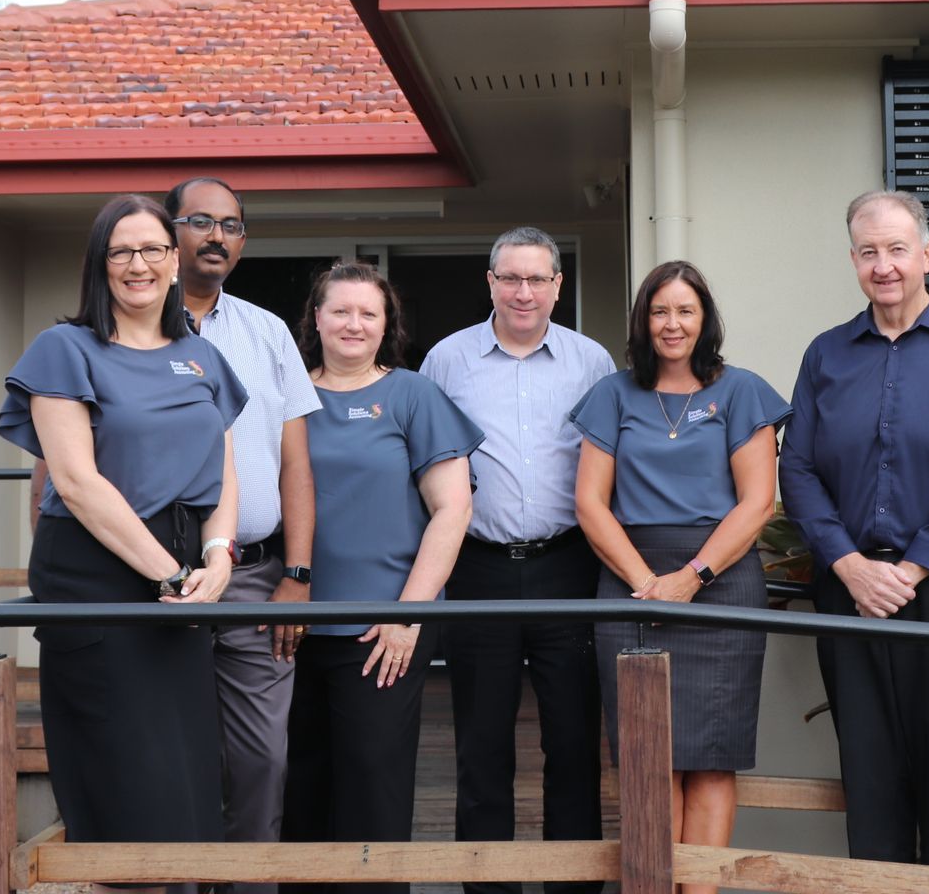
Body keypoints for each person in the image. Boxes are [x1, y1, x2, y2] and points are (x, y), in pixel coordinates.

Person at [0, 194, 246, 893]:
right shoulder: (63, 349)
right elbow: (75, 482)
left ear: (175, 263)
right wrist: (169, 574)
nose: (139, 264)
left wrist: (220, 553)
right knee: (126, 785)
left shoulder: (202, 356)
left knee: (187, 777)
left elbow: (225, 468)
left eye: (153, 250)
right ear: (100, 266)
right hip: (97, 577)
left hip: (182, 577)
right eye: (122, 251)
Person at [777, 189, 929, 869]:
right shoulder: (827, 355)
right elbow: (797, 469)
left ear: (927, 254)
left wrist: (913, 567)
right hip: (849, 591)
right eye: (867, 252)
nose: (883, 265)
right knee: (868, 768)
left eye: (896, 249)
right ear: (853, 259)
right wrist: (850, 566)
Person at [571, 260, 788, 891]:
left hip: (721, 583)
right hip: (629, 581)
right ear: (643, 319)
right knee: (650, 759)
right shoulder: (613, 394)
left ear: (705, 319)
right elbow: (590, 503)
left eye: (685, 310)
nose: (672, 323)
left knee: (714, 760)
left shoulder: (741, 390)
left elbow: (757, 504)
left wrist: (690, 577)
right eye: (659, 310)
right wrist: (647, 582)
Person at [420, 227, 616, 894]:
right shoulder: (446, 362)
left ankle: (573, 886)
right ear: (491, 282)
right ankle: (489, 886)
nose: (524, 291)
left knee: (571, 744)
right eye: (511, 278)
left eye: (537, 279)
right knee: (481, 746)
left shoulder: (592, 364)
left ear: (559, 285)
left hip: (569, 568)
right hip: (479, 569)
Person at [281, 261, 479, 894]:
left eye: (369, 313)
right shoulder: (286, 399)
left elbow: (453, 508)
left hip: (381, 632)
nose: (353, 324)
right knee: (296, 786)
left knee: (373, 784)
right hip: (290, 625)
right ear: (316, 318)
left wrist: (407, 615)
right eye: (340, 310)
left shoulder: (411, 395)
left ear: (387, 323)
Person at [165, 176, 321, 894]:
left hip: (258, 579)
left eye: (230, 225)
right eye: (200, 221)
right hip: (157, 579)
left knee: (263, 758)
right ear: (169, 232)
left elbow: (294, 460)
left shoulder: (267, 332)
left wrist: (298, 572)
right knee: (172, 755)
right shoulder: (125, 325)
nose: (216, 236)